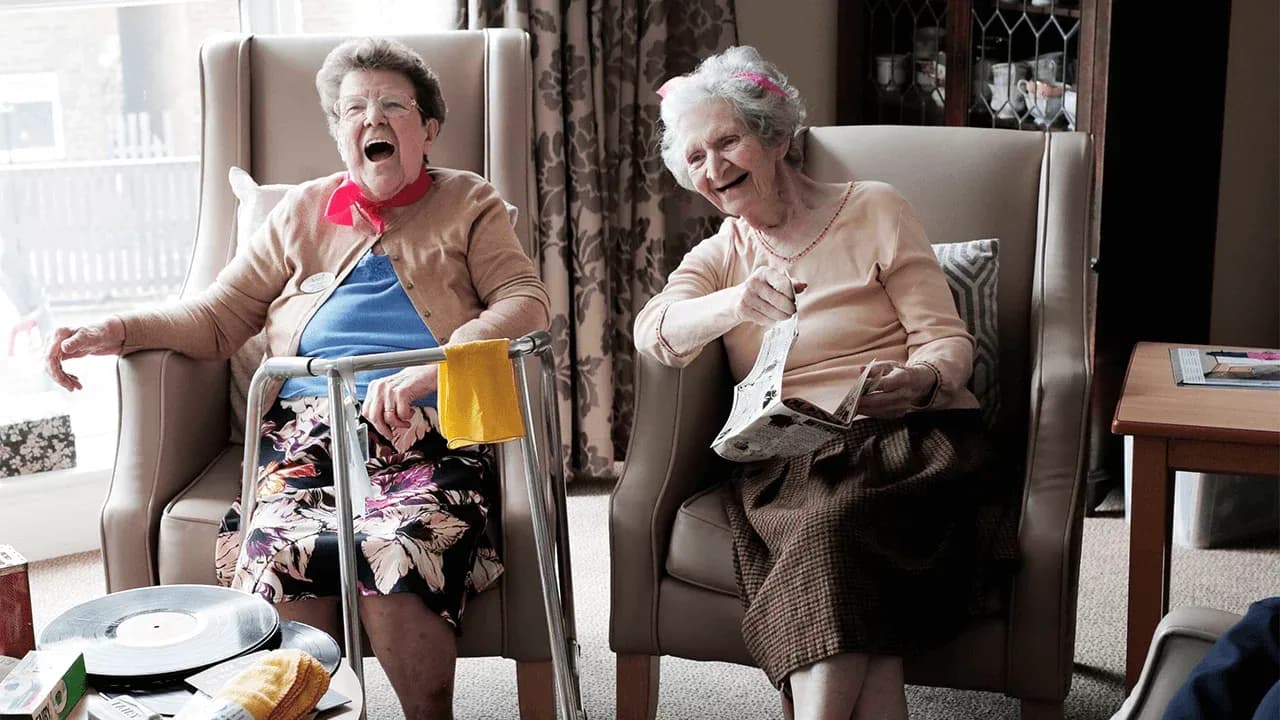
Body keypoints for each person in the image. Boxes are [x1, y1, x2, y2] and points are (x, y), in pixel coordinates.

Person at [44, 37, 549, 719]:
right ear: (339, 132)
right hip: (307, 432)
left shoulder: (468, 201)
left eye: (391, 105)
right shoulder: (302, 211)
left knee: (397, 553)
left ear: (427, 129)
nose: (370, 119)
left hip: (429, 427)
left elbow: (524, 300)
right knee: (287, 551)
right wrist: (122, 330)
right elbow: (220, 317)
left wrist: (441, 363)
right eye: (353, 109)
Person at [636, 46, 1016, 720]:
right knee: (833, 529)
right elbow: (654, 332)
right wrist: (733, 304)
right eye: (695, 158)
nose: (714, 168)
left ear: (776, 138)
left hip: (907, 438)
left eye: (728, 141)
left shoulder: (874, 209)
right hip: (789, 458)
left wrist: (922, 379)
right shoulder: (721, 256)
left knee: (836, 522)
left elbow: (946, 338)